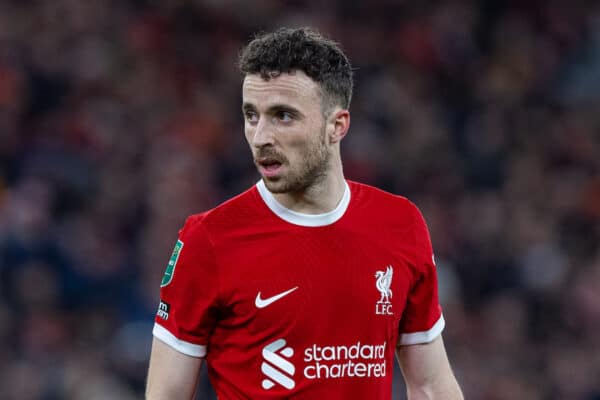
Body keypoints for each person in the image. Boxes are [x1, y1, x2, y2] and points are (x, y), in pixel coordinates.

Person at [145, 27, 463, 400]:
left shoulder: (401, 224)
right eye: (251, 115)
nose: (261, 135)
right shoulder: (208, 239)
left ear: (337, 126)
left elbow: (430, 386)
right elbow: (166, 394)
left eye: (283, 116)